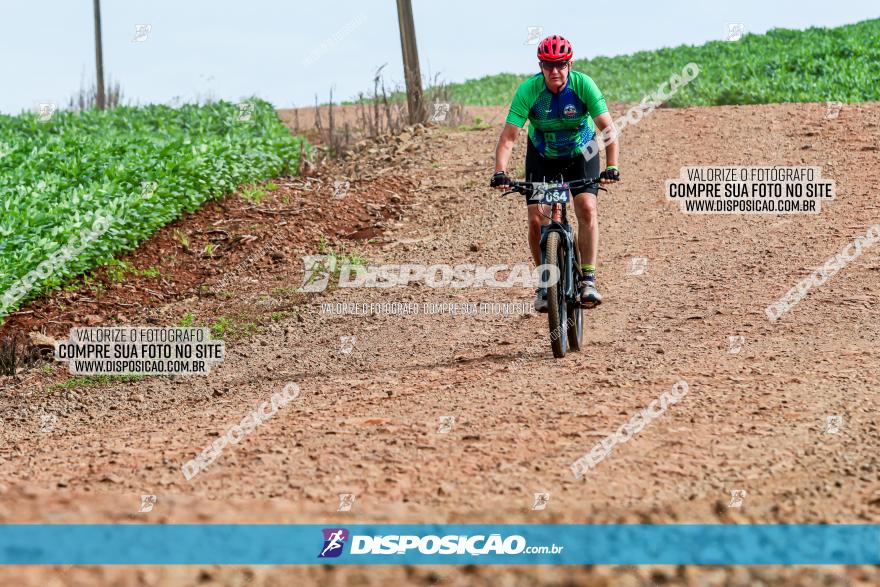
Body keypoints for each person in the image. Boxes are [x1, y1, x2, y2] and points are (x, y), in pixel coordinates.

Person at [491, 34, 620, 312]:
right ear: (540, 66)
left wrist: (612, 166)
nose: (555, 71)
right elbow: (509, 137)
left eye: (560, 64)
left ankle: (588, 279)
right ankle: (544, 283)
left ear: (569, 64)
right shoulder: (529, 91)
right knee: (537, 217)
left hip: (580, 153)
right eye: (548, 65)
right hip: (543, 156)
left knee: (586, 206)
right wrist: (500, 171)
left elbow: (607, 129)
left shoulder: (583, 85)